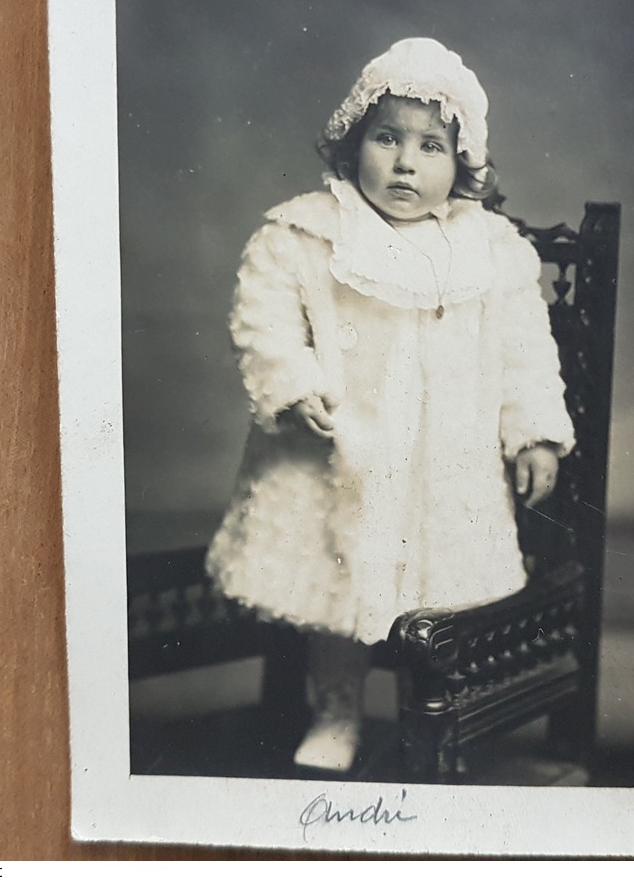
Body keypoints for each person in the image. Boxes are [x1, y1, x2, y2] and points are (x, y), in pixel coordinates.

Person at [205, 38, 574, 773]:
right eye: (387, 138)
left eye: (431, 146)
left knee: (435, 597)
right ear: (351, 144)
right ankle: (335, 715)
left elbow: (524, 351)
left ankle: (435, 722)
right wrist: (294, 380)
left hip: (445, 465)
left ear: (462, 163)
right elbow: (263, 317)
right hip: (342, 457)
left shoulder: (490, 249)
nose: (406, 163)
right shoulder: (306, 232)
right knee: (337, 594)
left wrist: (533, 434)